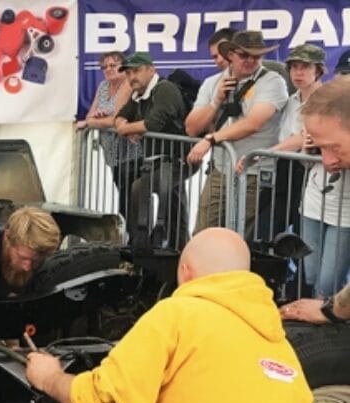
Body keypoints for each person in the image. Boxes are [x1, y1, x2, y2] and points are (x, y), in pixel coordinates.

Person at [26, 227, 312, 403]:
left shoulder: (177, 314)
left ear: (185, 272)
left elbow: (104, 399)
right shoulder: (279, 345)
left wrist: (50, 378)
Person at [186, 30, 289, 235]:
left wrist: (211, 139)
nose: (251, 60)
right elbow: (191, 128)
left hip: (254, 172)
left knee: (239, 236)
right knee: (203, 232)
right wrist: (216, 102)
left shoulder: (273, 81)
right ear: (230, 54)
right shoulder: (213, 83)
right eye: (244, 55)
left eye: (257, 56)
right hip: (221, 169)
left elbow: (253, 123)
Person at [248, 44, 326, 244]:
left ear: (318, 70)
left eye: (305, 67)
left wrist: (266, 153)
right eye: (294, 67)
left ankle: (300, 275)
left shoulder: (325, 100)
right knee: (263, 234)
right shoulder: (292, 99)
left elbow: (302, 137)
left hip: (310, 173)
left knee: (304, 238)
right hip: (283, 170)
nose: (298, 73)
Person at [113, 52, 191, 249]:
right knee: (174, 200)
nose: (132, 77)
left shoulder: (165, 89)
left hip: (180, 157)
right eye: (128, 73)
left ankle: (142, 244)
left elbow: (154, 123)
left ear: (151, 70)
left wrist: (125, 129)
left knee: (142, 187)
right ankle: (177, 245)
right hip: (159, 158)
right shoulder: (138, 93)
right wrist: (125, 126)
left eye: (136, 71)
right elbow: (121, 115)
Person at [293, 79, 350, 300]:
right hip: (315, 205)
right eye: (321, 146)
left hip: (343, 213)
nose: (327, 160)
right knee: (312, 273)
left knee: (328, 281)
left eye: (334, 147)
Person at [78, 51, 141, 218]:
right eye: (104, 67)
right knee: (123, 197)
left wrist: (96, 121)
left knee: (132, 200)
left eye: (113, 65)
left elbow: (115, 120)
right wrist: (98, 118)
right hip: (112, 153)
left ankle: (139, 240)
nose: (108, 69)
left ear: (123, 66)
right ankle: (130, 236)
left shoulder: (127, 84)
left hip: (132, 151)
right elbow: (90, 115)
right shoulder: (103, 86)